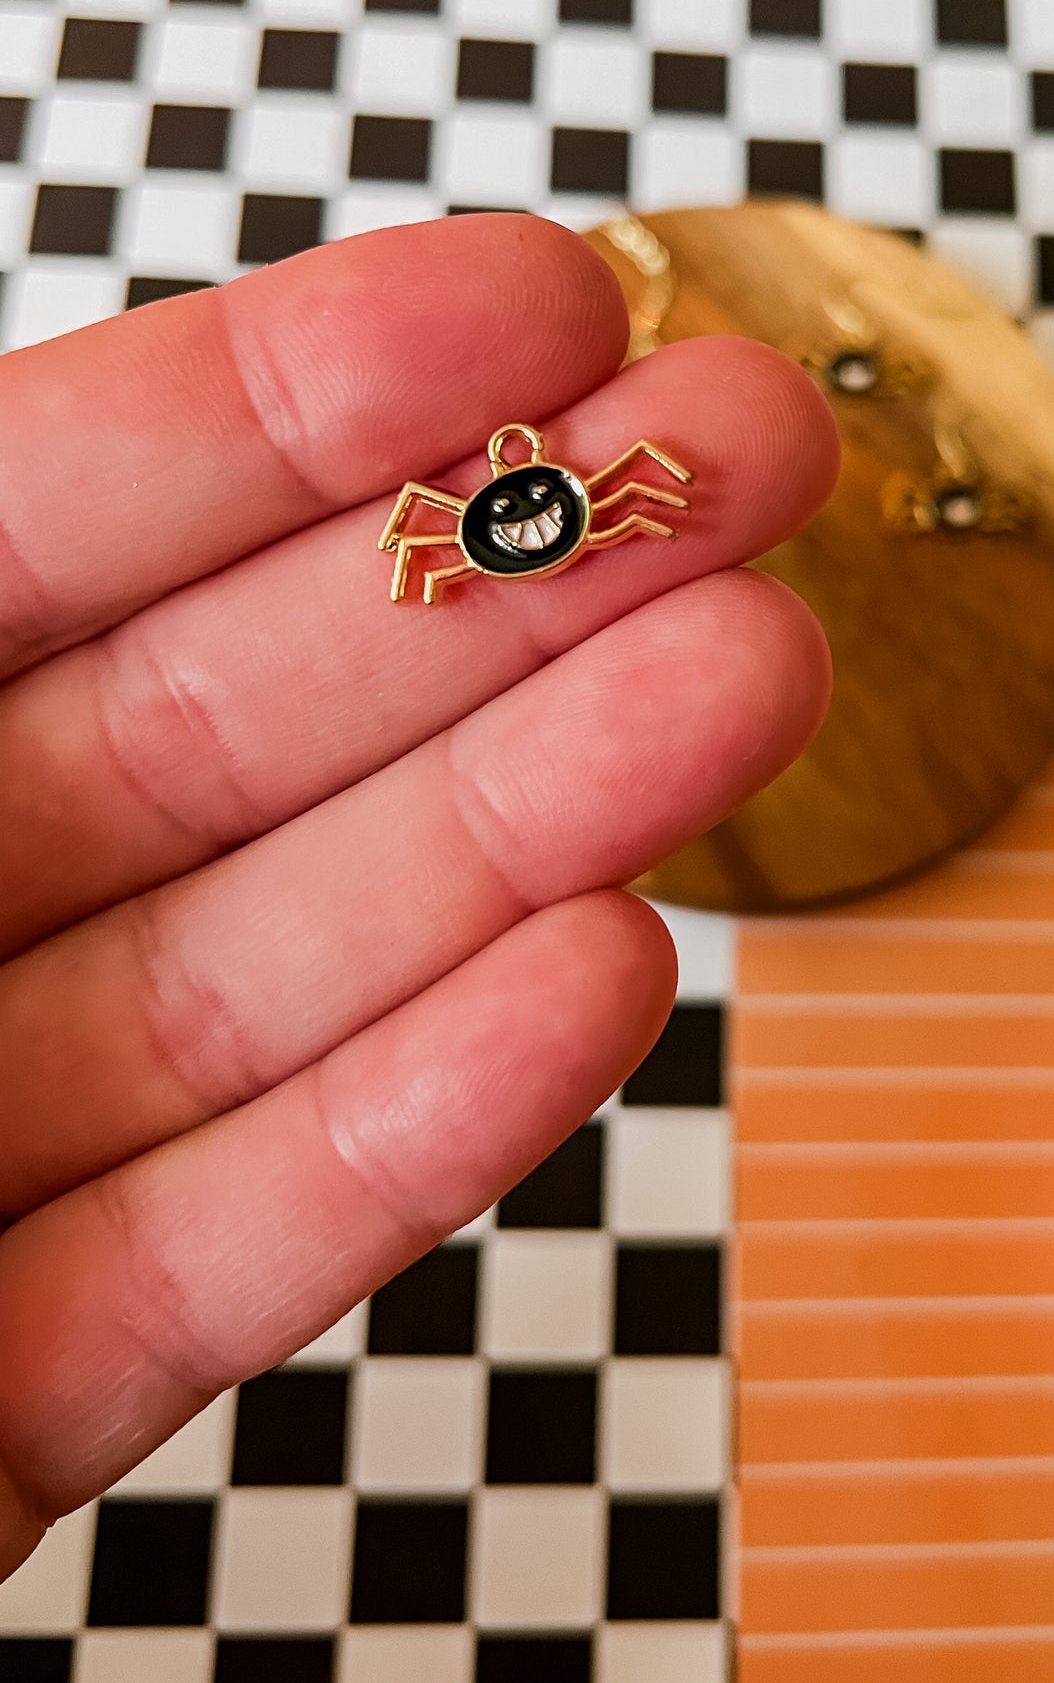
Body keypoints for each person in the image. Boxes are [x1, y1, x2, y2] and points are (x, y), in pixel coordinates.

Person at [0, 213, 838, 1581]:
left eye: (511, 466)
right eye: (502, 469)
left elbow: (587, 504)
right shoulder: (469, 521)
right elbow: (465, 534)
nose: (507, 469)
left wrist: (556, 517)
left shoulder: (526, 508)